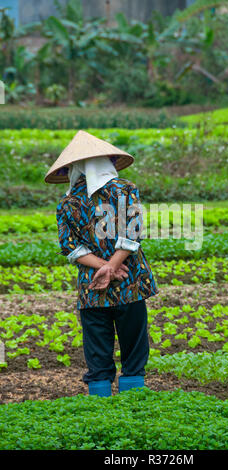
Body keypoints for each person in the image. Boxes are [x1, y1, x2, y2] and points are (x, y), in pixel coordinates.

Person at [45, 130, 159, 397]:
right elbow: (131, 234)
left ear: (75, 168)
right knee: (133, 344)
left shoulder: (67, 203)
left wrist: (102, 267)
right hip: (128, 279)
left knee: (97, 346)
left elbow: (70, 248)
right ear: (107, 162)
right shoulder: (125, 189)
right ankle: (134, 399)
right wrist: (113, 266)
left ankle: (99, 403)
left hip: (92, 285)